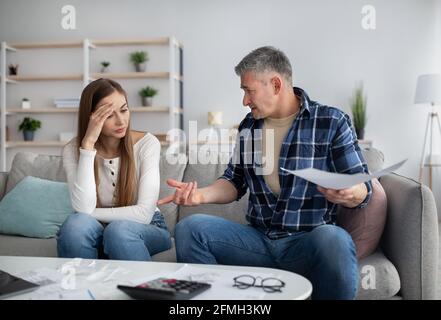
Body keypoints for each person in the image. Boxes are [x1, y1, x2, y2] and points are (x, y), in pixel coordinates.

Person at [158, 46, 372, 299]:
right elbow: (234, 181)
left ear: (276, 84)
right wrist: (199, 196)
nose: (245, 101)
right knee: (190, 228)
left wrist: (352, 192)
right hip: (257, 242)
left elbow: (363, 188)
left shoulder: (331, 121)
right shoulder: (249, 126)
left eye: (249, 91)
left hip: (305, 242)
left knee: (334, 238)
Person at [58, 78, 171, 261]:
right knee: (74, 226)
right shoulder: (72, 150)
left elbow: (144, 214)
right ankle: (80, 288)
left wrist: (89, 213)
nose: (121, 121)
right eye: (109, 115)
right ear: (91, 117)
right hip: (96, 226)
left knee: (118, 230)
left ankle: (142, 289)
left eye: (124, 110)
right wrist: (87, 145)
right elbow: (83, 208)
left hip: (148, 226)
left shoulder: (147, 144)